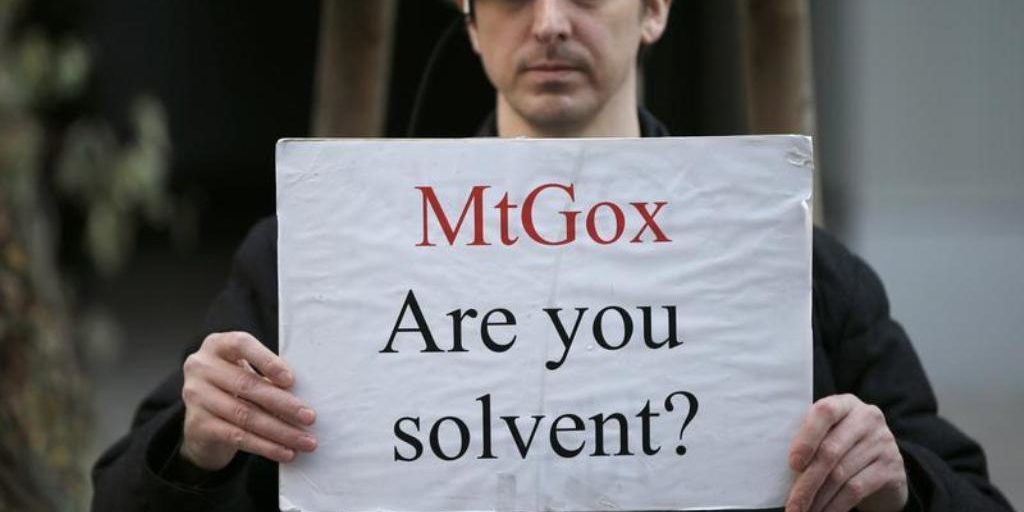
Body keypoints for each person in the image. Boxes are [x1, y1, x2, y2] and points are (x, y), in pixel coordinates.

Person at [91, 1, 1014, 511]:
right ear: (467, 15)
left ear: (655, 9)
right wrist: (196, 447)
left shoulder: (794, 266)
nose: (548, 23)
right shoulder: (319, 256)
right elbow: (123, 495)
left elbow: (971, 496)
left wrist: (900, 484)